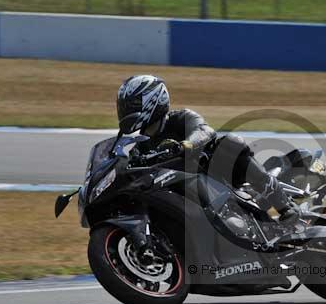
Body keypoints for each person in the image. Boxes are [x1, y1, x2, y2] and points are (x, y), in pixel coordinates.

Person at [116, 74, 300, 224]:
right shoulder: (140, 145)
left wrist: (185, 145)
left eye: (130, 106)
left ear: (153, 100)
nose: (125, 111)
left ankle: (284, 205)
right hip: (181, 196)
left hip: (216, 179)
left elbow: (205, 131)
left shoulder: (181, 118)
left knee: (230, 143)